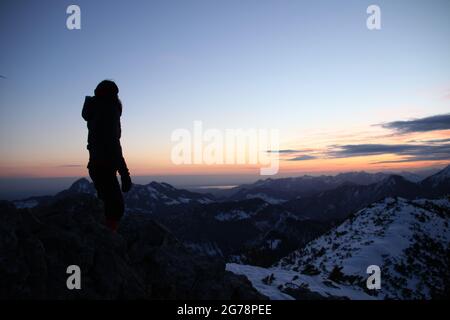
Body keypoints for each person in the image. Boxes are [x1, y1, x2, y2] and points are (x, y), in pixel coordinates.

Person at [82, 80, 132, 232]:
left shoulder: (96, 111)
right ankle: (108, 240)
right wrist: (124, 173)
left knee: (105, 204)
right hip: (105, 166)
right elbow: (113, 144)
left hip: (96, 165)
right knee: (115, 208)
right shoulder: (108, 110)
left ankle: (104, 237)